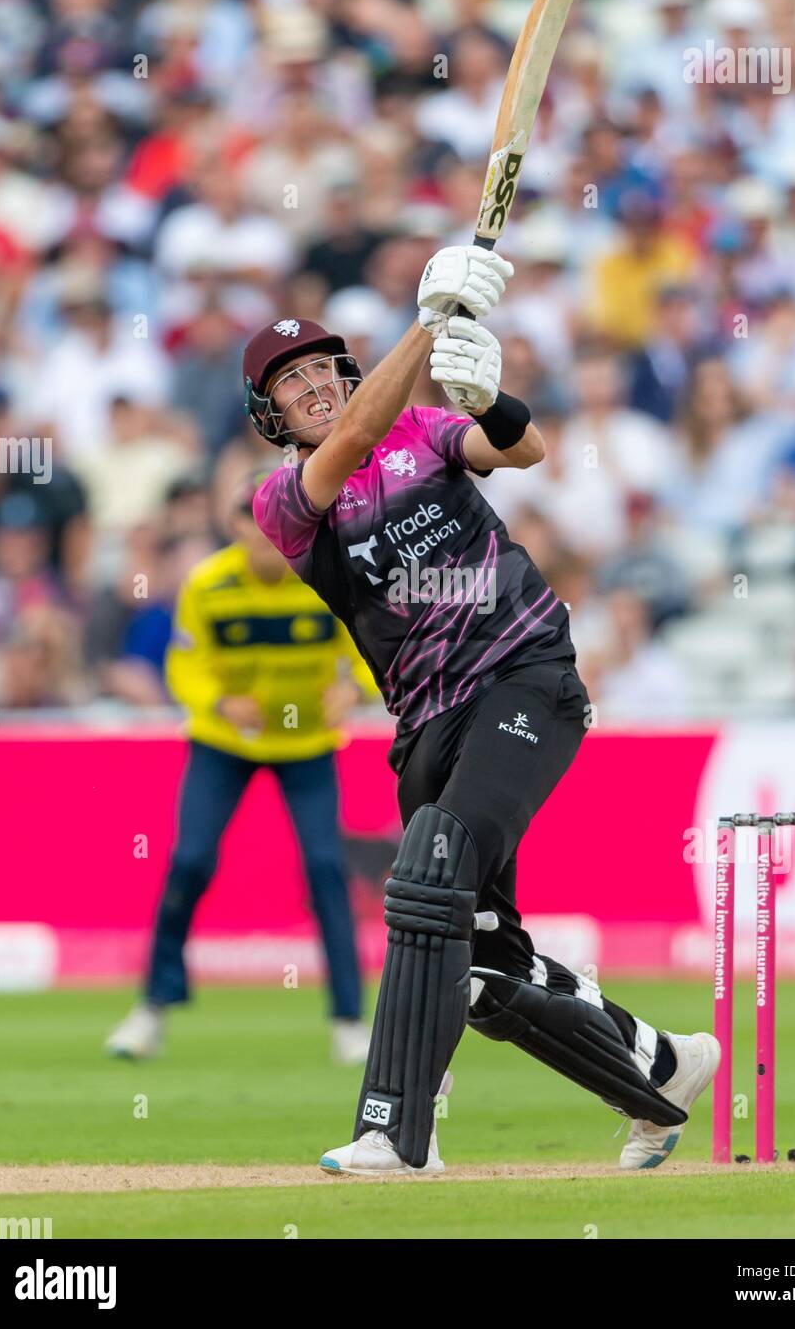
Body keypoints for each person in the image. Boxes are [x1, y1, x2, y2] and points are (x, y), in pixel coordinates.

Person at [246, 243, 720, 1175]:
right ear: (270, 414)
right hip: (425, 723)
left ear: (349, 375)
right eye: (290, 381)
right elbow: (341, 452)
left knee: (433, 864)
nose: (312, 388)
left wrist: (483, 398)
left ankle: (396, 1129)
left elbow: (522, 447)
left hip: (526, 676)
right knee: (482, 968)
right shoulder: (283, 502)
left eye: (321, 370)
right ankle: (664, 1068)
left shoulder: (421, 430)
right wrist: (431, 320)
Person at [105, 474, 378, 1065]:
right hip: (224, 742)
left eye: (274, 533)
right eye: (252, 534)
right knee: (190, 860)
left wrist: (355, 689)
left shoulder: (324, 575)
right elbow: (185, 665)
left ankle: (350, 1021)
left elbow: (366, 643)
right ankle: (152, 1009)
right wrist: (218, 702)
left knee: (328, 870)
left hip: (306, 742)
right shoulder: (207, 585)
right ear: (233, 530)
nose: (265, 547)